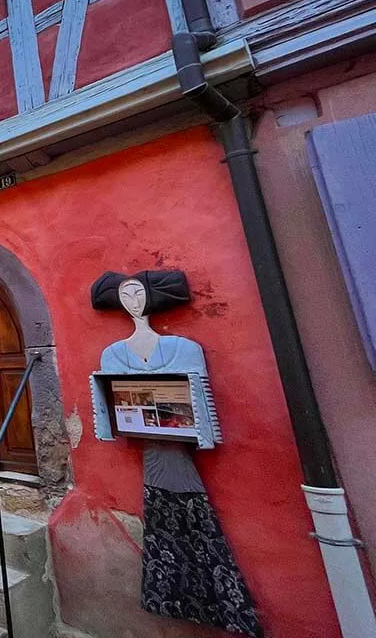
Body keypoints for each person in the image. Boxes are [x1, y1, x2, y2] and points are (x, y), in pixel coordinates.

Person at [90, 270, 262, 637]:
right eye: (125, 295)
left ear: (152, 297)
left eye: (138, 293)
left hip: (178, 452)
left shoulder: (184, 348)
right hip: (152, 449)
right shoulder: (113, 353)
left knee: (194, 517)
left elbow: (198, 400)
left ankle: (218, 603)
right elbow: (111, 403)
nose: (133, 302)